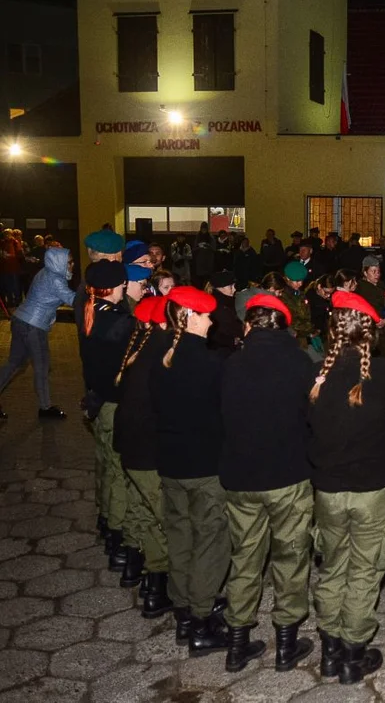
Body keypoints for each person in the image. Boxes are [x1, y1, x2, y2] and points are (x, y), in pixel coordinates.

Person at [219, 293, 316, 673]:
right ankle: (286, 644)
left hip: (242, 477)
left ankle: (237, 644)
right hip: (287, 475)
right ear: (284, 325)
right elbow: (311, 415)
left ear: (248, 325)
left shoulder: (231, 363)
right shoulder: (299, 361)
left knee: (245, 558)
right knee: (291, 558)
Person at [308, 291, 385, 684]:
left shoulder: (318, 379)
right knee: (364, 569)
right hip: (372, 490)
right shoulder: (383, 375)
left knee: (332, 566)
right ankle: (352, 654)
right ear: (369, 335)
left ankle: (329, 649)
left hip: (328, 490)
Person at [150, 286, 231, 655]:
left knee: (179, 536)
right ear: (190, 318)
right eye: (206, 315)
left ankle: (182, 608)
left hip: (170, 462)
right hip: (203, 465)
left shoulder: (161, 356)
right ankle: (201, 621)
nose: (212, 320)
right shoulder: (211, 363)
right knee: (211, 541)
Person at [113, 296, 173, 617]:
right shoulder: (164, 350)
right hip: (149, 451)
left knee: (144, 514)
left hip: (131, 449)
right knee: (167, 521)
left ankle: (144, 578)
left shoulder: (139, 346)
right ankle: (164, 588)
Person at [80, 260, 136, 570]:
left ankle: (105, 519)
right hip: (114, 404)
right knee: (119, 472)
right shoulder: (118, 321)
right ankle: (118, 537)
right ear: (115, 287)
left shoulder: (90, 310)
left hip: (98, 401)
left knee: (105, 464)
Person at [0, 246, 75, 420]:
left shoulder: (45, 272)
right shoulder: (56, 279)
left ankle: (45, 406)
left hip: (20, 319)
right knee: (41, 367)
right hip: (33, 326)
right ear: (59, 263)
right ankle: (45, 408)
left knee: (13, 363)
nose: (72, 266)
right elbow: (73, 300)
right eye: (69, 262)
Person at [357, 256, 385, 356]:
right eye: (373, 271)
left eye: (378, 271)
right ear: (365, 273)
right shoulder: (362, 289)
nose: (377, 274)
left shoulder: (380, 285)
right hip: (373, 334)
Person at [208, 271, 242, 354]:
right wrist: (233, 341)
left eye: (234, 285)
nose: (234, 289)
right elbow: (213, 333)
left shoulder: (228, 301)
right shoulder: (216, 305)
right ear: (220, 287)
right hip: (221, 351)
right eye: (231, 286)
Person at [282, 261, 315, 346]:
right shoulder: (282, 296)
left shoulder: (300, 293)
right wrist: (310, 329)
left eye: (302, 281)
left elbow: (306, 314)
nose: (300, 284)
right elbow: (289, 322)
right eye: (297, 281)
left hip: (302, 338)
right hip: (289, 340)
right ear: (287, 278)